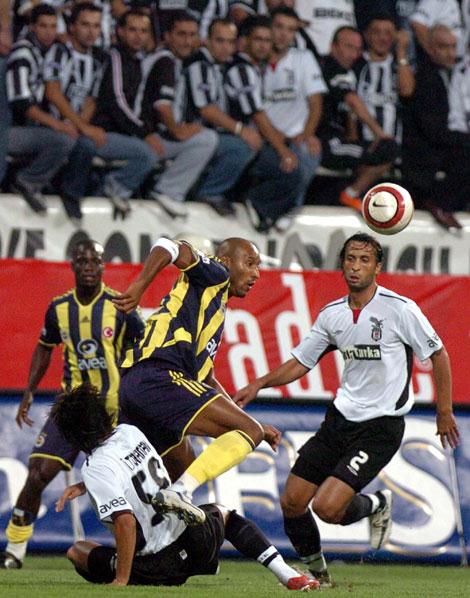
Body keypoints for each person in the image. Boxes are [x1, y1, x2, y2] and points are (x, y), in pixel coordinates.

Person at [234, 232, 459, 587]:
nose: (356, 267)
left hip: (380, 426)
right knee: (292, 501)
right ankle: (320, 577)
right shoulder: (332, 315)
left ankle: (376, 504)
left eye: (364, 260)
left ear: (378, 267)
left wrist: (443, 411)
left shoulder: (400, 309)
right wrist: (258, 383)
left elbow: (438, 354)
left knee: (327, 508)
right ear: (342, 264)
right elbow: (301, 361)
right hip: (339, 420)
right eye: (350, 259)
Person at [52, 384, 319, 590]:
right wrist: (86, 485)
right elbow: (130, 470)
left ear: (73, 434)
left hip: (158, 565)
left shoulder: (96, 467)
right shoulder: (128, 432)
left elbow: (125, 522)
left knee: (77, 551)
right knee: (225, 515)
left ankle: (128, 573)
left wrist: (121, 580)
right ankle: (286, 573)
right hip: (194, 540)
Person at [0, 240, 145, 570]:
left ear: (104, 266)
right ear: (73, 266)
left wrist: (135, 389)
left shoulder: (120, 306)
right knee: (38, 473)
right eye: (82, 261)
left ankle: (144, 550)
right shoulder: (59, 308)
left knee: (129, 485)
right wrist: (29, 391)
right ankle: (15, 549)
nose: (89, 266)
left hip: (111, 413)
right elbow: (44, 346)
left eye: (95, 260)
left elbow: (144, 345)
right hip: (70, 409)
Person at [113, 237, 281, 499]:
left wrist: (250, 421)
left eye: (258, 266)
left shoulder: (211, 303)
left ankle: (172, 503)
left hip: (139, 388)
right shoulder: (217, 273)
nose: (256, 274)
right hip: (159, 376)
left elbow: (207, 379)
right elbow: (168, 246)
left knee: (184, 471)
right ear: (226, 261)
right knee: (247, 432)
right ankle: (180, 493)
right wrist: (138, 287)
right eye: (249, 264)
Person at [175, 18, 262, 217]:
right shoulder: (200, 65)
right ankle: (210, 192)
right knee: (241, 146)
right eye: (220, 41)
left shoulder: (219, 66)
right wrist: (241, 130)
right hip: (189, 134)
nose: (225, 47)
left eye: (230, 42)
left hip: (207, 135)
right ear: (207, 40)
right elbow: (206, 109)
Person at [225, 15, 302, 232]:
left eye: (267, 41)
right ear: (245, 41)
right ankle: (257, 203)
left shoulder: (256, 69)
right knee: (289, 171)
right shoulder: (241, 69)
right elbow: (257, 115)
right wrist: (282, 150)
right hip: (237, 139)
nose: (263, 45)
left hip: (251, 138)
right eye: (258, 39)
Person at [142, 11, 218, 218]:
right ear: (167, 36)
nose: (187, 41)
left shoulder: (169, 60)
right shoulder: (165, 61)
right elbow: (162, 105)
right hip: (148, 138)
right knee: (207, 139)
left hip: (148, 134)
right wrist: (177, 130)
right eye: (181, 34)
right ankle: (168, 190)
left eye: (192, 35)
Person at [317, 26, 399, 212]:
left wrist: (354, 138)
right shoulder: (330, 67)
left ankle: (354, 194)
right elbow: (352, 101)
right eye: (349, 47)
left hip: (339, 140)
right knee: (387, 149)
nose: (353, 54)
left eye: (357, 49)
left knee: (379, 151)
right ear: (333, 47)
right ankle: (351, 194)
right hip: (327, 142)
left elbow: (349, 113)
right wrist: (379, 133)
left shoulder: (348, 72)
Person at [6, 4, 75, 213]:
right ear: (32, 27)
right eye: (43, 26)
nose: (49, 32)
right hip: (9, 130)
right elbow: (21, 103)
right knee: (62, 140)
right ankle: (27, 181)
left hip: (25, 128)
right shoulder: (23, 53)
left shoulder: (44, 52)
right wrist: (57, 125)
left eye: (53, 26)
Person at [401, 24, 470, 229]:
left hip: (440, 141)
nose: (450, 53)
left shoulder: (451, 75)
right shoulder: (426, 77)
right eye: (443, 47)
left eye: (453, 47)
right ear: (430, 49)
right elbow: (432, 131)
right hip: (423, 149)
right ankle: (440, 203)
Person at [43, 2, 107, 222]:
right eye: (85, 25)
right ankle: (70, 195)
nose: (91, 32)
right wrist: (81, 127)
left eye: (96, 26)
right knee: (85, 144)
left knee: (92, 142)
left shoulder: (97, 60)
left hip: (75, 126)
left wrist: (81, 125)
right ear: (72, 27)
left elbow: (91, 99)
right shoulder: (59, 52)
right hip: (49, 123)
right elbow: (52, 93)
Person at [263, 8, 326, 214]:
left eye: (291, 30)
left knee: (309, 150)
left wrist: (307, 133)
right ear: (269, 27)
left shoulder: (303, 58)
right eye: (279, 27)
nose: (284, 34)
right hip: (264, 134)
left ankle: (289, 211)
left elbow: (316, 102)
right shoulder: (256, 59)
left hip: (295, 136)